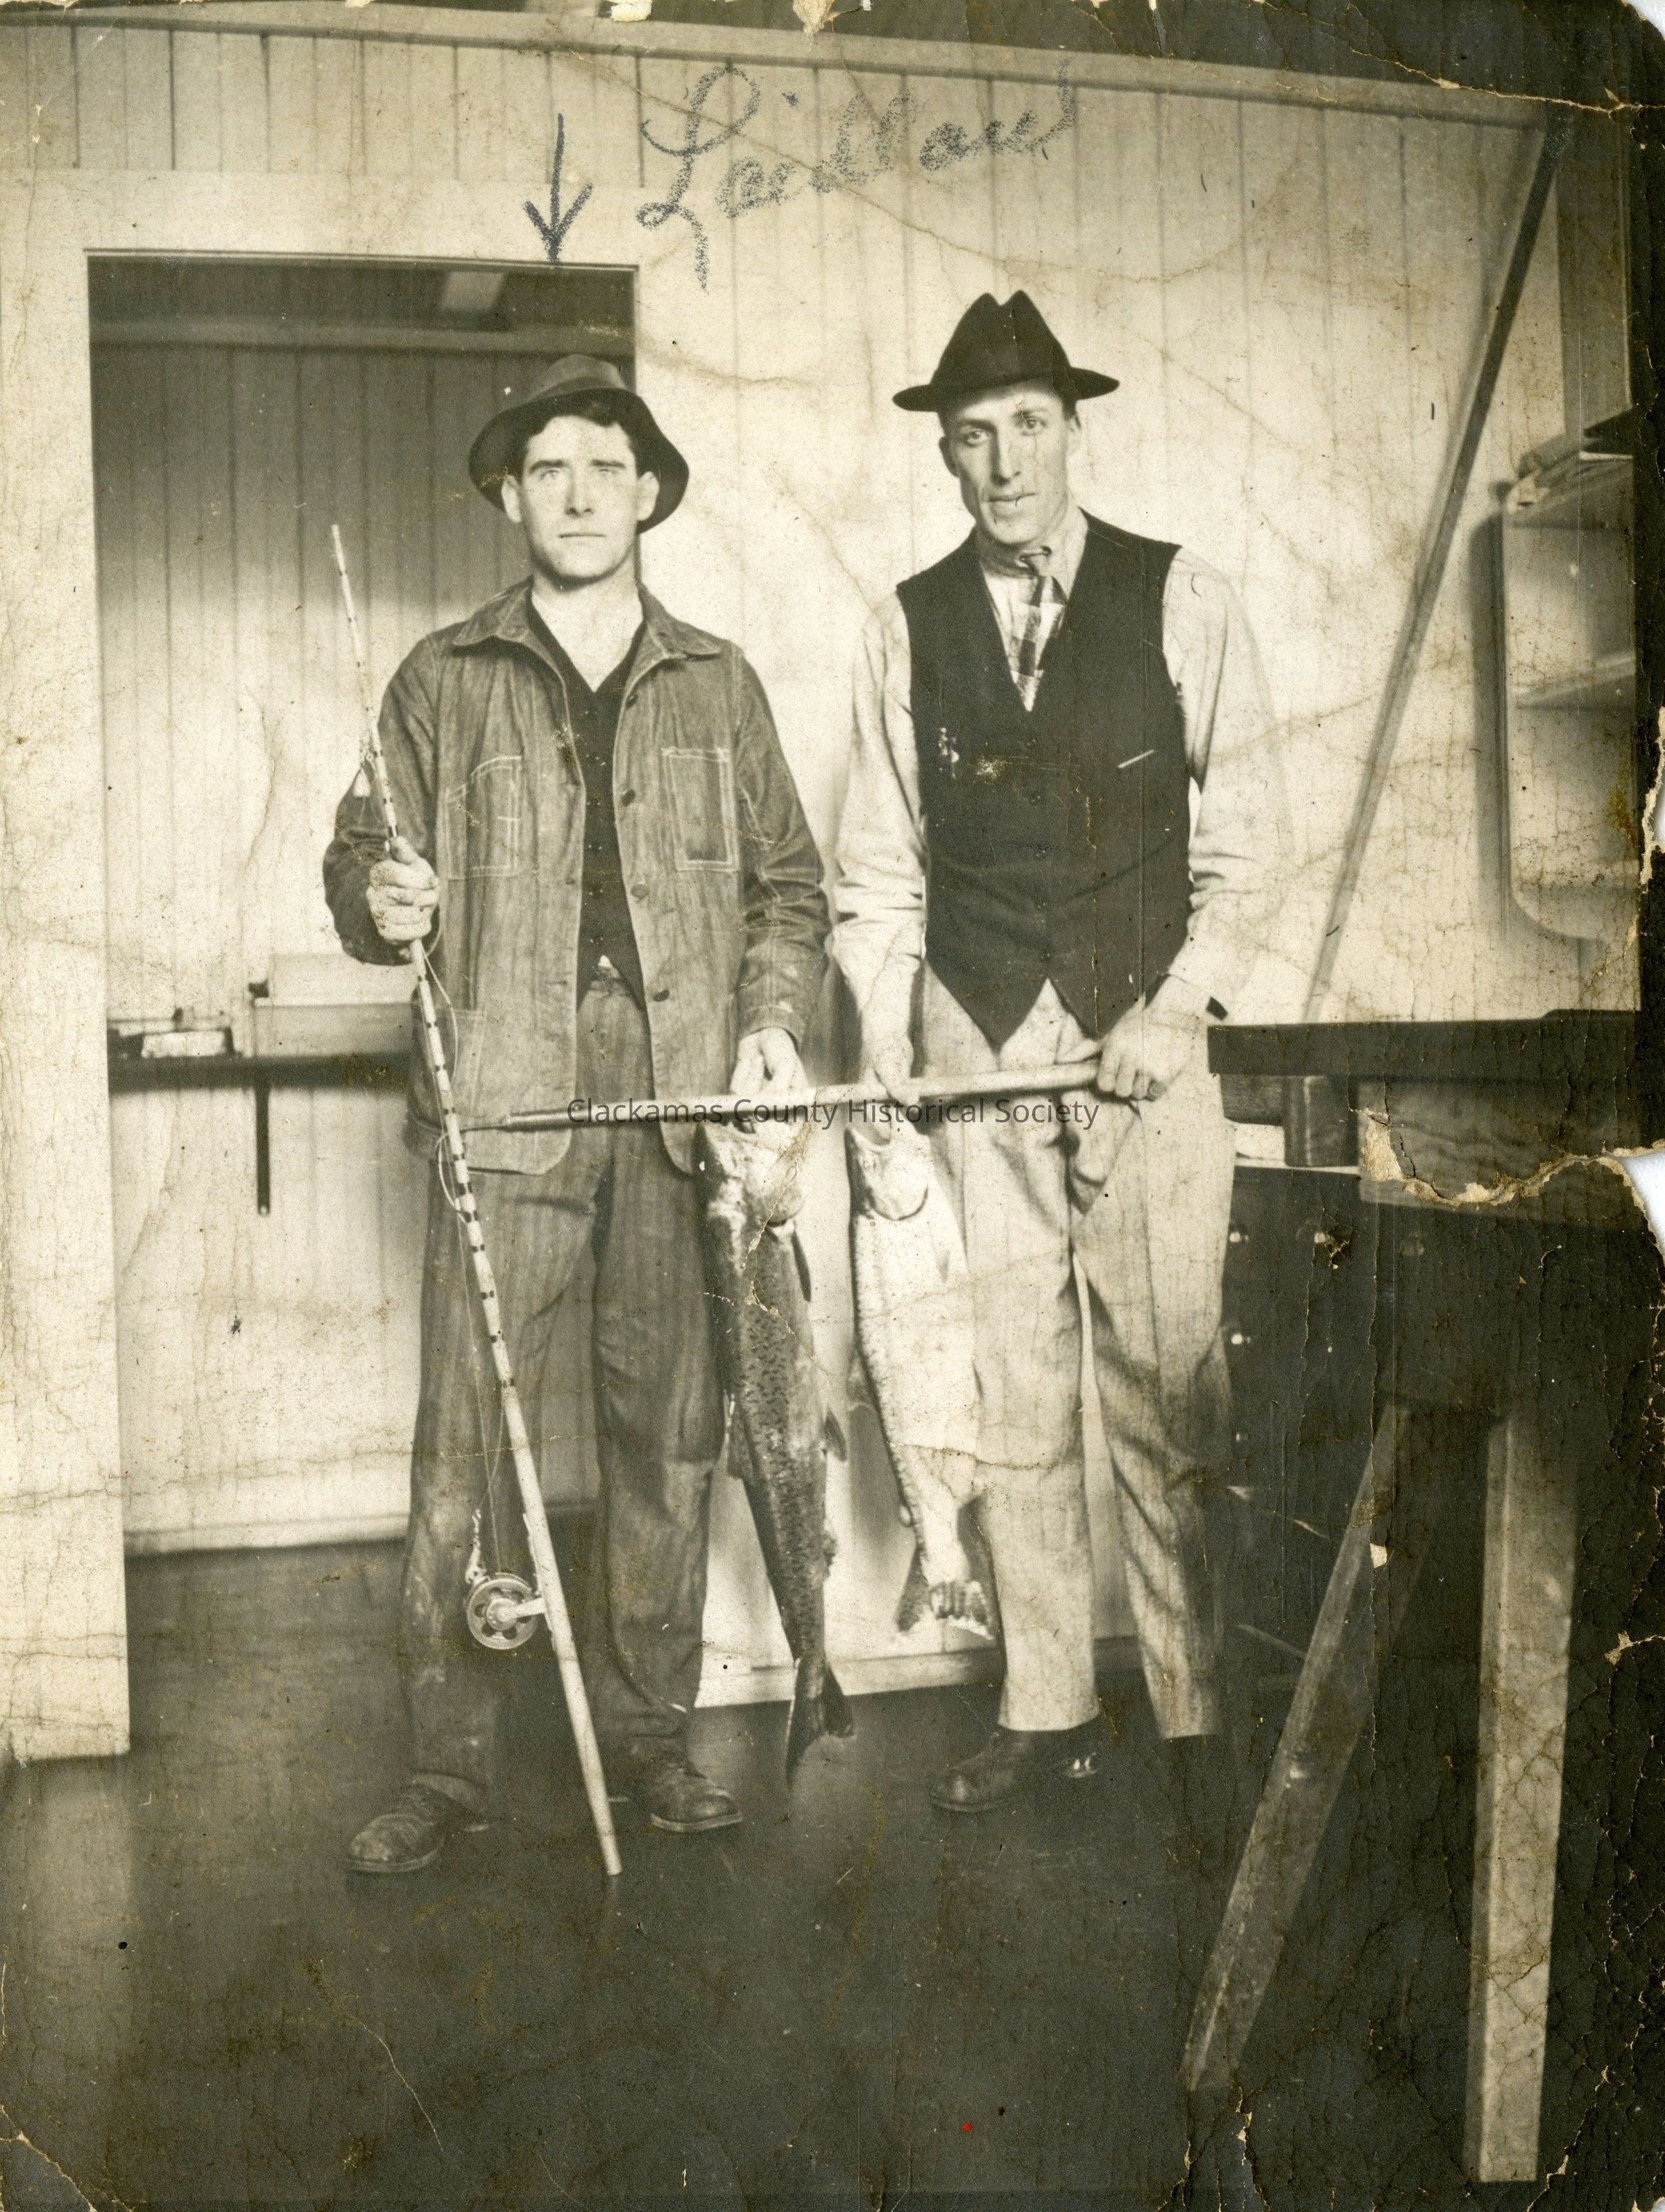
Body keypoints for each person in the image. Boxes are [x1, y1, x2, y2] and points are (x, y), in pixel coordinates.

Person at [324, 356, 828, 1872]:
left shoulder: (719, 681)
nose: (582, 492)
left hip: (678, 1107)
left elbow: (789, 889)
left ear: (650, 493)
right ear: (511, 497)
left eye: (608, 466)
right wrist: (378, 895)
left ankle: (653, 1740)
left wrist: (770, 1021)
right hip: (504, 1096)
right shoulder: (440, 676)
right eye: (550, 468)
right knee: (463, 1451)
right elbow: (357, 860)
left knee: (667, 1441)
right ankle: (448, 1773)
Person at [833, 293, 1289, 1819]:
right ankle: (1046, 1712)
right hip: (977, 1050)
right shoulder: (902, 625)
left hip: (1146, 1049)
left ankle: (1198, 1723)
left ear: (1074, 431)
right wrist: (897, 1037)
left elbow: (1249, 843)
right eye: (974, 436)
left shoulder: (1183, 595)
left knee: (1169, 1392)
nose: (1005, 461)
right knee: (1013, 1397)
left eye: (1029, 425)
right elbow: (875, 873)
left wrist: (1177, 1010)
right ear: (944, 455)